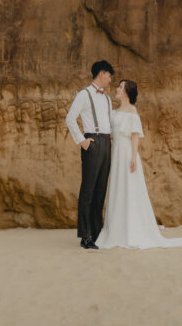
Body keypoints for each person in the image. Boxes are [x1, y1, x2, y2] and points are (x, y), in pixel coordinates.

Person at [96, 79, 182, 249]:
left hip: (127, 152)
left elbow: (135, 136)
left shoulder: (132, 111)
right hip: (116, 152)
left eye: (120, 87)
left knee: (129, 187)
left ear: (126, 92)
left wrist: (133, 157)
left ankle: (131, 228)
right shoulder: (115, 111)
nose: (117, 89)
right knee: (118, 187)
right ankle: (116, 228)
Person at [65, 59, 115, 249]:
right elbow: (70, 118)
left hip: (106, 142)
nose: (110, 79)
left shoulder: (107, 98)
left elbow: (111, 121)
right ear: (101, 74)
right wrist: (82, 141)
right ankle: (85, 236)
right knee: (88, 190)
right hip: (92, 142)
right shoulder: (83, 94)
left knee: (101, 189)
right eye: (109, 75)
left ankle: (96, 232)